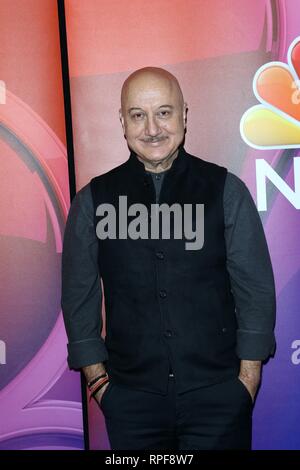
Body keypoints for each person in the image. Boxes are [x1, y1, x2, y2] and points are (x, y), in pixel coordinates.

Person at [61, 67, 276, 450]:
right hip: (130, 402)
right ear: (122, 122)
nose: (152, 129)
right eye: (138, 115)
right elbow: (79, 295)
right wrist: (99, 383)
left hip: (219, 399)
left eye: (164, 112)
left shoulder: (227, 190)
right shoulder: (92, 200)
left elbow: (255, 289)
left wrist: (246, 381)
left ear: (184, 115)